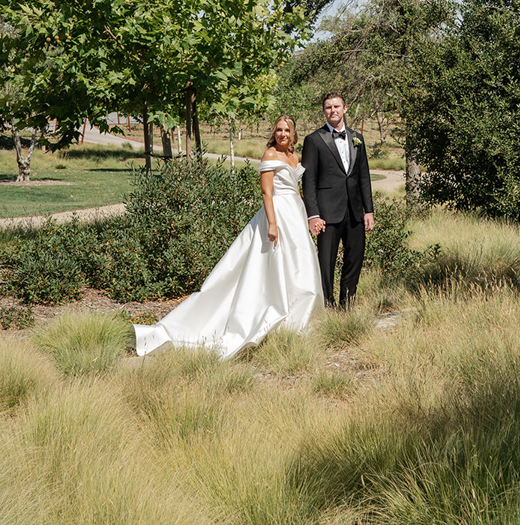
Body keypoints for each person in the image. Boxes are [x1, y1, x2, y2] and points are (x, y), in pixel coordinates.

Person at [132, 116, 323, 360]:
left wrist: (304, 214)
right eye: (278, 130)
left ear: (293, 133)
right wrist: (273, 224)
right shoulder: (270, 155)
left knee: (299, 267)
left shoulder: (293, 157)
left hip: (295, 213)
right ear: (273, 132)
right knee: (272, 269)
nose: (282, 134)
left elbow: (296, 190)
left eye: (287, 130)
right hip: (277, 215)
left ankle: (297, 324)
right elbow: (266, 191)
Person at [302, 92, 374, 308]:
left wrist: (368, 210)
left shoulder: (357, 138)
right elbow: (309, 181)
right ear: (324, 111)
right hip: (326, 214)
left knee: (355, 259)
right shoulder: (313, 140)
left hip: (354, 212)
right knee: (326, 263)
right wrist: (313, 215)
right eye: (328, 107)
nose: (332, 110)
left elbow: (364, 176)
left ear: (345, 109)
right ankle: (327, 304)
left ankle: (347, 304)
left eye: (336, 106)